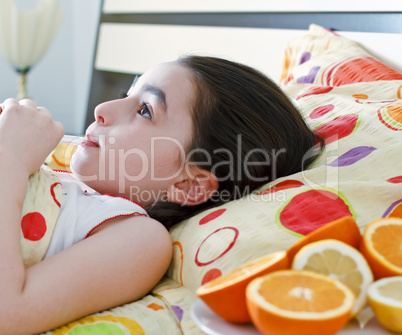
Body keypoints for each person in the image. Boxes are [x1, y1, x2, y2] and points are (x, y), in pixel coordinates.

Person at [0, 55, 322, 333]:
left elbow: (9, 311)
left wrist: (11, 158)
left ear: (188, 185)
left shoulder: (139, 239)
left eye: (144, 110)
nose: (102, 109)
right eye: (127, 93)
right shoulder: (56, 177)